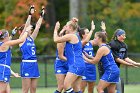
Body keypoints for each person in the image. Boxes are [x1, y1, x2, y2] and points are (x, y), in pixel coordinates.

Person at [54, 18, 85, 93]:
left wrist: (55, 29)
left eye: (66, 26)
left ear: (70, 28)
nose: (65, 28)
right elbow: (75, 26)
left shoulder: (71, 36)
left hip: (76, 64)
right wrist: (73, 21)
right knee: (76, 88)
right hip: (78, 64)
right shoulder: (75, 35)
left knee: (66, 86)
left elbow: (56, 39)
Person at [19, 5, 44, 93]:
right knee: (25, 90)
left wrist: (41, 16)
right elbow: (26, 26)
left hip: (34, 65)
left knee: (33, 90)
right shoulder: (22, 39)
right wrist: (30, 15)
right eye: (29, 29)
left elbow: (37, 27)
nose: (30, 29)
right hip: (26, 64)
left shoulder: (31, 38)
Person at [0, 25, 32, 93]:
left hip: (4, 69)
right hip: (3, 70)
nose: (9, 37)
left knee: (7, 91)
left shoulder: (3, 44)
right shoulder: (5, 44)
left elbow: (8, 41)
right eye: (8, 35)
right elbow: (21, 40)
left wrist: (12, 34)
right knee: (2, 91)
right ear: (5, 37)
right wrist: (26, 31)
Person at [108, 29, 140, 93]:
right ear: (118, 36)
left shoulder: (124, 45)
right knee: (109, 87)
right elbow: (117, 59)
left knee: (116, 86)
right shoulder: (113, 44)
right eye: (123, 35)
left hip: (116, 68)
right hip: (108, 68)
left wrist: (135, 63)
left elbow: (125, 58)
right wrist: (130, 64)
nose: (124, 37)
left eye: (125, 35)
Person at [78, 21, 96, 93]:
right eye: (87, 33)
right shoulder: (80, 43)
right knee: (81, 89)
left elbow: (101, 40)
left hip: (92, 67)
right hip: (84, 67)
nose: (89, 34)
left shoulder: (90, 43)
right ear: (82, 35)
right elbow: (86, 40)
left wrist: (104, 30)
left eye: (89, 32)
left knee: (91, 90)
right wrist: (92, 30)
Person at [54, 27, 68, 93]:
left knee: (67, 86)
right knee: (61, 86)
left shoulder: (71, 40)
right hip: (60, 64)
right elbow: (60, 56)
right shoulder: (61, 41)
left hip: (68, 63)